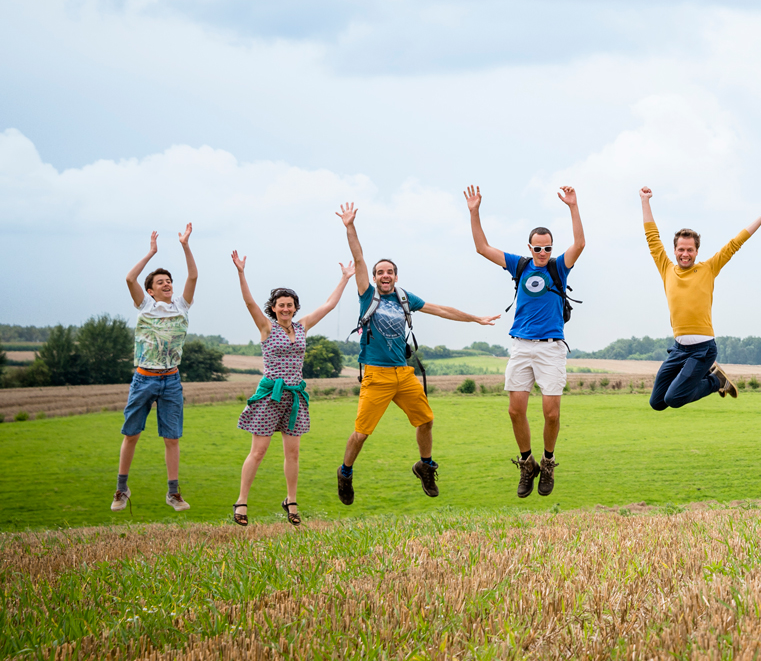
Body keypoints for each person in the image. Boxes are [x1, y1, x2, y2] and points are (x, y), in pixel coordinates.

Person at [335, 202, 500, 505]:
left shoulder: (404, 297)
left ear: (396, 277)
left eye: (390, 272)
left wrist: (475, 318)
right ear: (374, 277)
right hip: (376, 375)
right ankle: (345, 473)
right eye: (380, 272)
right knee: (361, 433)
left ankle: (424, 465)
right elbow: (358, 258)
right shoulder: (367, 294)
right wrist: (350, 227)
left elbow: (440, 309)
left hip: (403, 373)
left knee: (426, 420)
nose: (385, 275)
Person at [465, 184, 585, 499]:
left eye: (547, 248)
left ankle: (547, 461)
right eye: (537, 248)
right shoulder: (518, 265)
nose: (542, 253)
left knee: (551, 413)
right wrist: (475, 212)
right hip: (521, 345)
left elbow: (580, 243)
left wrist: (573, 206)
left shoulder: (560, 267)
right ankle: (526, 462)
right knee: (515, 410)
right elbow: (482, 247)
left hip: (551, 347)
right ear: (529, 247)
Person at [230, 251, 356, 526]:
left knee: (293, 453)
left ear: (295, 307)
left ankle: (291, 500)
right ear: (273, 308)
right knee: (259, 451)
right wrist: (241, 272)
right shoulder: (266, 328)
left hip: (295, 397)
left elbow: (329, 305)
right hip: (269, 397)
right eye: (280, 305)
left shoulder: (302, 327)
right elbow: (249, 302)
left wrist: (345, 278)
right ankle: (241, 501)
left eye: (290, 305)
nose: (285, 309)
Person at [640, 186, 761, 411]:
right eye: (681, 250)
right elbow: (652, 237)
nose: (685, 254)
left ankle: (716, 381)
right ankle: (712, 376)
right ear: (674, 250)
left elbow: (736, 243)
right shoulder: (666, 268)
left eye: (690, 250)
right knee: (657, 403)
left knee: (674, 399)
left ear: (697, 251)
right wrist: (645, 200)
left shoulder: (708, 268)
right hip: (678, 349)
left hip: (702, 349)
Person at [112, 225, 198, 513]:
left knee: (172, 438)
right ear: (150, 290)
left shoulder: (182, 306)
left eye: (169, 281)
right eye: (161, 281)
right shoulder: (144, 305)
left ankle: (173, 493)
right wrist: (151, 252)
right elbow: (129, 277)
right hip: (144, 378)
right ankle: (121, 489)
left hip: (171, 380)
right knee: (132, 434)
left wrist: (185, 245)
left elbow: (194, 276)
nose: (167, 284)